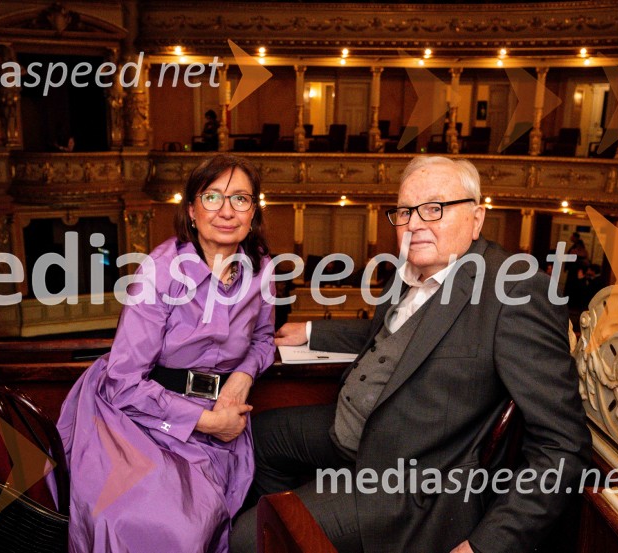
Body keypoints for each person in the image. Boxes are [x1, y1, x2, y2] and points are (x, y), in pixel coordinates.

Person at [230, 156, 591, 553]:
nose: (415, 223)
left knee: (249, 536)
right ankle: (299, 534)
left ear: (476, 219)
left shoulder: (517, 291)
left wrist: (487, 545)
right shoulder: (408, 270)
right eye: (405, 211)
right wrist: (312, 331)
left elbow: (563, 445)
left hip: (409, 482)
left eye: (434, 208)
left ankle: (288, 530)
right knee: (257, 438)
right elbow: (387, 336)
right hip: (355, 431)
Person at [54, 154, 276, 552]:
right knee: (166, 528)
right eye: (212, 197)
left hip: (217, 419)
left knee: (203, 520)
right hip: (140, 418)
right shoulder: (160, 270)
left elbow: (263, 339)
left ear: (253, 211)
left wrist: (243, 376)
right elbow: (124, 382)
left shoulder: (262, 268)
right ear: (191, 210)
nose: (227, 211)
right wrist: (209, 422)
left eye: (241, 199)